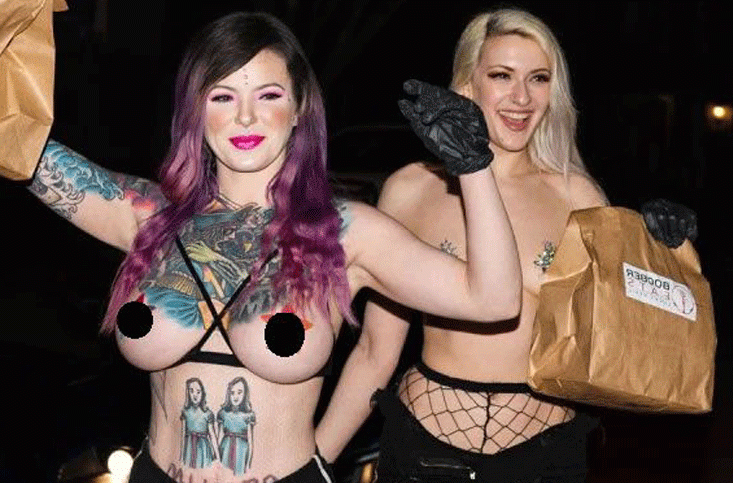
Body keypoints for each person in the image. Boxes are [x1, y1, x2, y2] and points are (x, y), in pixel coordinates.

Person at [15, 11, 521, 483]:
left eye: (268, 95)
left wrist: (472, 166)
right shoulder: (150, 216)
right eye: (222, 97)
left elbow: (494, 299)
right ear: (195, 110)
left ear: (299, 108)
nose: (245, 117)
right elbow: (19, 145)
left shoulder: (343, 233)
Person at [315, 8, 697, 483]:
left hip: (546, 456)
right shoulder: (411, 190)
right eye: (501, 76)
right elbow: (376, 350)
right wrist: (316, 461)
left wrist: (665, 257)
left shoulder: (576, 196)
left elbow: (628, 335)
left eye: (539, 78)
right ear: (468, 84)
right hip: (423, 452)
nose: (521, 97)